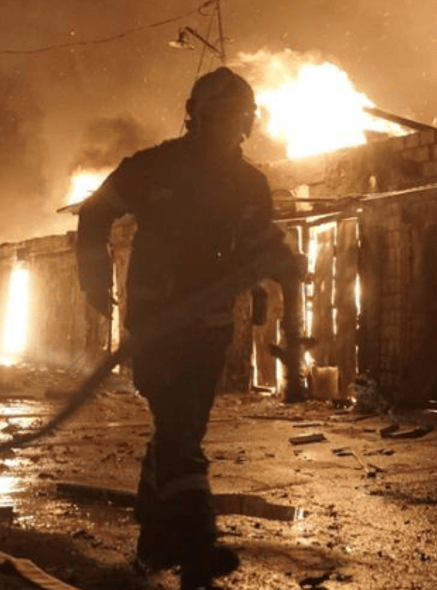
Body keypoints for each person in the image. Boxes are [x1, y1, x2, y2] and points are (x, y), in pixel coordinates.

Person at [75, 66, 300, 589]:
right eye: (216, 117)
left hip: (211, 327)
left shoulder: (250, 184)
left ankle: (154, 541)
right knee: (179, 427)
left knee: (181, 430)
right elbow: (94, 213)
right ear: (195, 118)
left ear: (247, 123)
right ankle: (198, 543)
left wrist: (278, 267)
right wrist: (94, 277)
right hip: (157, 326)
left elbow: (256, 241)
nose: (226, 128)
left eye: (235, 118)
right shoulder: (154, 167)